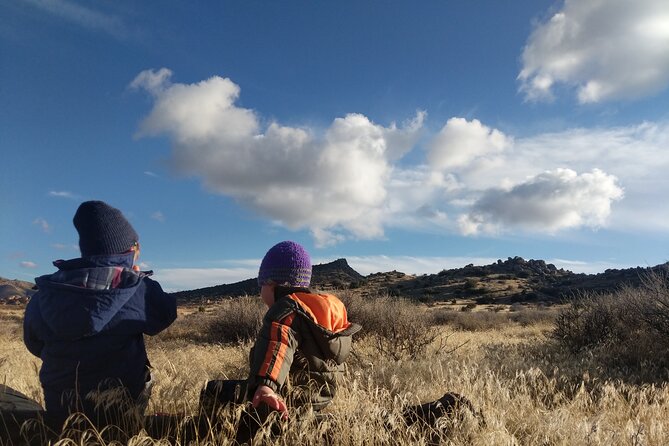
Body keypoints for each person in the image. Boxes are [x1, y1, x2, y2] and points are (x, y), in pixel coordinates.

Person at [23, 200, 177, 428]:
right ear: (130, 250)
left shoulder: (45, 293)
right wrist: (138, 280)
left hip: (60, 409)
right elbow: (166, 314)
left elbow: (34, 344)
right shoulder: (136, 288)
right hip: (122, 410)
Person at [201, 241, 360, 435]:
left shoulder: (286, 309)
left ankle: (207, 434)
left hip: (282, 395)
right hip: (319, 396)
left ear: (271, 284)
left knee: (213, 389)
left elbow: (278, 346)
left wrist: (266, 386)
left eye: (261, 285)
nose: (261, 292)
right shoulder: (324, 311)